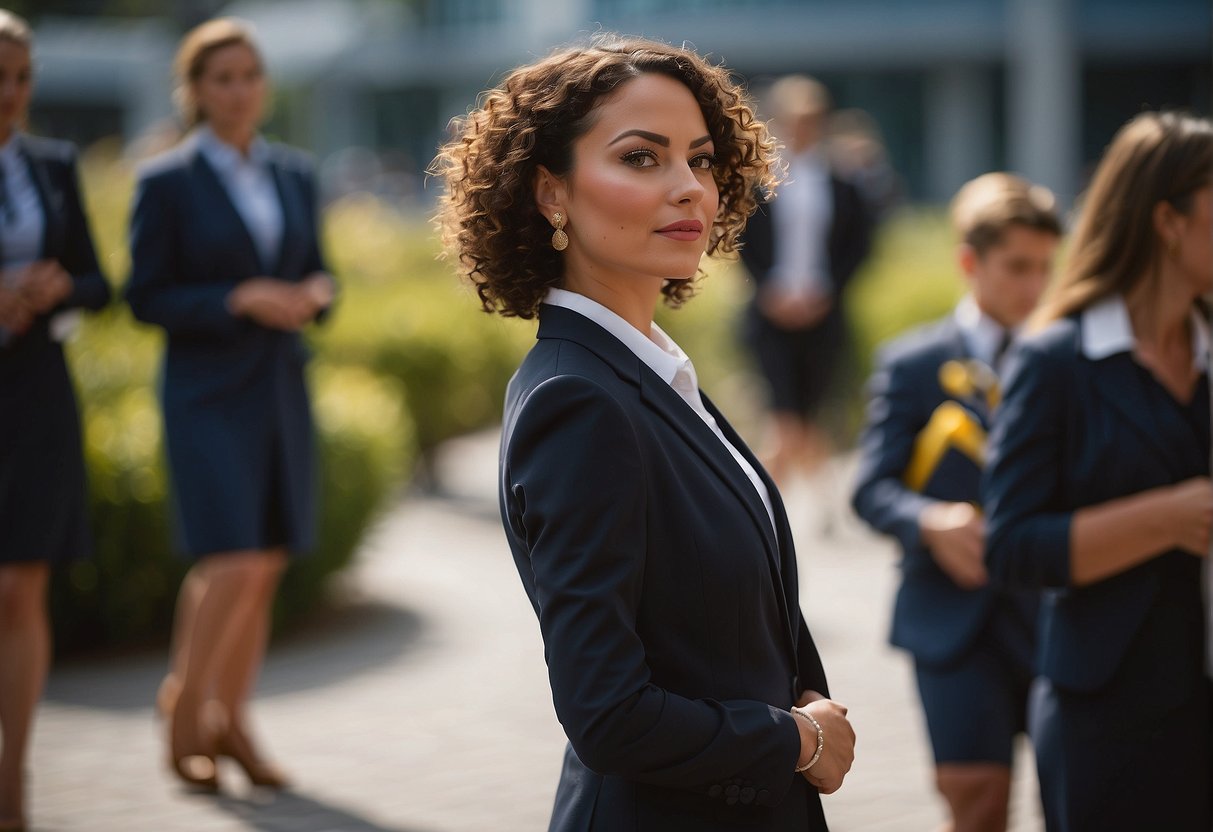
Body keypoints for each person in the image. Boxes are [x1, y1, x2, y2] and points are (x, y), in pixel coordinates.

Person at [433, 35, 856, 832]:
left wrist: (801, 699)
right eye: (640, 158)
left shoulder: (651, 370)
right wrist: (794, 740)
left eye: (699, 159)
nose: (687, 188)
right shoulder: (578, 401)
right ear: (551, 194)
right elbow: (607, 713)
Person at [983, 111, 1212, 831]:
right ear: (1168, 221)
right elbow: (1012, 547)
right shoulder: (1055, 360)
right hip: (1109, 717)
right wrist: (1167, 517)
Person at [125, 18, 335, 792]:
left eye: (249, 75)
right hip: (206, 390)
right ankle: (185, 705)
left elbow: (320, 270)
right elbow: (144, 297)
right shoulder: (166, 181)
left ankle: (233, 720)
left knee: (267, 560)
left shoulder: (291, 173)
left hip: (279, 381)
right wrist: (237, 296)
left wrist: (315, 293)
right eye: (222, 78)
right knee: (231, 554)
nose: (239, 90)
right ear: (194, 92)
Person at [851, 173, 1061, 832]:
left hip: (1057, 616)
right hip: (952, 618)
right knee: (974, 804)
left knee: (1078, 798)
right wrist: (927, 520)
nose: (1032, 288)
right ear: (969, 262)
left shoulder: (1073, 358)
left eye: (1044, 269)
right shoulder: (912, 363)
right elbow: (869, 488)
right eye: (1016, 267)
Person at [0, 10, 111, 830]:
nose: (8, 95)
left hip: (37, 393)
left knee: (19, 586)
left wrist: (54, 290)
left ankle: (14, 781)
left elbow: (98, 281)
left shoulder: (51, 163)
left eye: (19, 78)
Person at [738, 74, 873, 491]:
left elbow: (860, 245)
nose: (802, 128)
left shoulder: (843, 184)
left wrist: (829, 291)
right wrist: (768, 289)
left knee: (810, 416)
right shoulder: (759, 185)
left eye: (811, 120)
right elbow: (744, 242)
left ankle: (807, 499)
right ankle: (765, 499)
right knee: (785, 418)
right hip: (770, 311)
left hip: (823, 311)